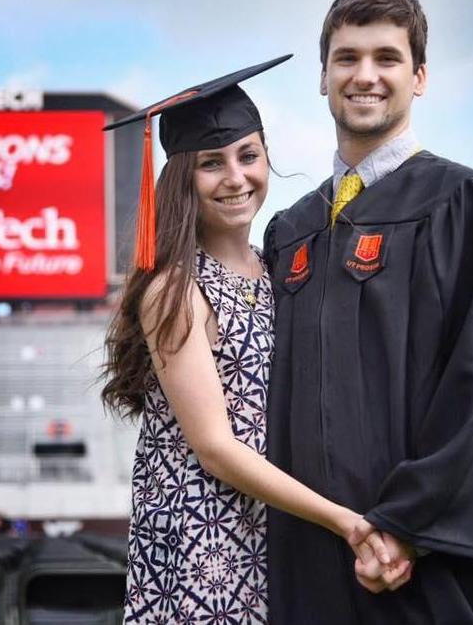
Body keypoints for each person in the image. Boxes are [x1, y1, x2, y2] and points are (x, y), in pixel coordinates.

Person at [263, 0, 473, 624]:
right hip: (312, 568)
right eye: (347, 58)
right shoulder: (289, 231)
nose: (364, 75)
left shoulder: (472, 206)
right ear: (323, 76)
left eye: (386, 58)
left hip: (431, 572)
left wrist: (406, 527)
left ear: (420, 76)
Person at [100, 56, 405, 624]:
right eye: (211, 163)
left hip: (274, 532)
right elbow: (214, 447)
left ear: (267, 156)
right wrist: (345, 519)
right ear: (183, 178)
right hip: (200, 544)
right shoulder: (175, 289)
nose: (236, 177)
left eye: (248, 155)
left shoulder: (277, 271)